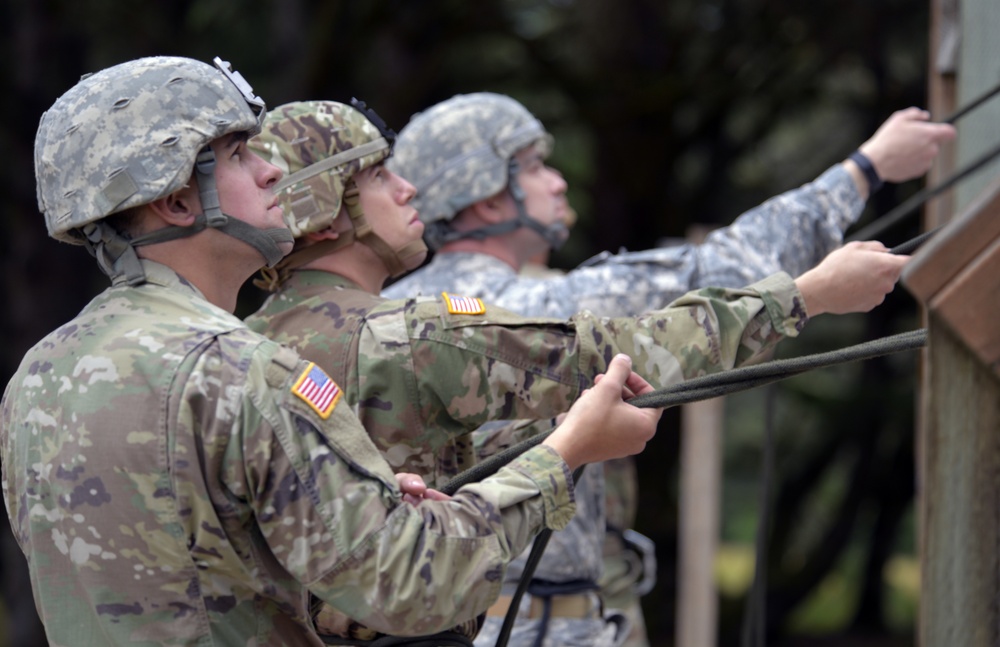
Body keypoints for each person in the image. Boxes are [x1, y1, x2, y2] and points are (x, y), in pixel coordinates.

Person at [0, 56, 671, 647]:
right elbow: (412, 584)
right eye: (238, 156)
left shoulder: (39, 374)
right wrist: (566, 452)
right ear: (177, 200)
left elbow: (177, 573)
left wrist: (350, 495)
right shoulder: (239, 371)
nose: (271, 172)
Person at [244, 99, 909, 645]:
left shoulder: (247, 342)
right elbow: (673, 318)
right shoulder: (435, 329)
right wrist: (834, 236)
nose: (405, 186)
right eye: (378, 176)